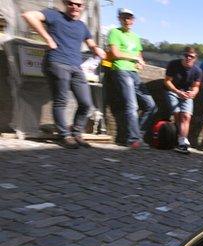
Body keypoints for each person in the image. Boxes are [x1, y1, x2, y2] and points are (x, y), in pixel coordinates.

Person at [22, 0, 106, 149]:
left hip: (76, 67)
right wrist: (47, 38)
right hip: (57, 62)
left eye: (79, 4)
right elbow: (28, 15)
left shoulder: (82, 26)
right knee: (61, 101)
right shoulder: (54, 15)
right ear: (65, 4)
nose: (75, 7)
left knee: (86, 103)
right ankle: (63, 136)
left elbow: (91, 43)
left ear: (83, 7)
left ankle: (76, 133)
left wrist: (97, 49)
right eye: (71, 3)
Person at [107, 8, 157, 149]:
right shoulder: (115, 32)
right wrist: (134, 57)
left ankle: (136, 135)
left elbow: (139, 55)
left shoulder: (135, 37)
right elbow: (115, 53)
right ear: (119, 18)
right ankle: (133, 140)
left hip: (134, 72)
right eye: (124, 18)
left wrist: (140, 62)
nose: (127, 20)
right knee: (132, 106)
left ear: (133, 20)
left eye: (129, 18)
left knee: (151, 105)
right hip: (121, 70)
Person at [164, 47, 202, 154]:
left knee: (186, 116)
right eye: (186, 55)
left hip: (186, 93)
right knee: (177, 112)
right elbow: (167, 81)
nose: (188, 58)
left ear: (195, 58)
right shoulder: (173, 64)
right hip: (172, 91)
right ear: (183, 55)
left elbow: (196, 86)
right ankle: (181, 139)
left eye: (191, 56)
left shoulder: (197, 71)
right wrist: (177, 91)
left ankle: (182, 140)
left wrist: (193, 93)